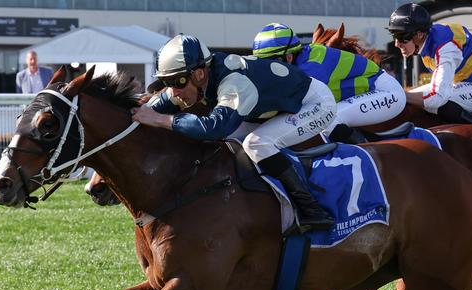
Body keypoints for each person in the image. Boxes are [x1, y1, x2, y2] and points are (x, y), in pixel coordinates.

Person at [132, 34, 337, 232]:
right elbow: (151, 108)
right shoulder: (194, 81)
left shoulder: (234, 83)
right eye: (168, 83)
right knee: (230, 141)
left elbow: (214, 128)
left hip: (314, 103)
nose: (173, 91)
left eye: (178, 82)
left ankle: (311, 209)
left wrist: (161, 120)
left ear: (199, 73)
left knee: (257, 143)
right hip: (274, 107)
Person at [251, 23, 406, 143]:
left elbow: (287, 107)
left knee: (327, 119)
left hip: (386, 93)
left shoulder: (311, 68)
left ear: (289, 56)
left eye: (271, 62)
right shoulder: (299, 60)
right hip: (368, 92)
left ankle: (373, 155)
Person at [387, 3, 472, 124]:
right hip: (466, 83)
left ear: (420, 34)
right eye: (394, 36)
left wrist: (403, 96)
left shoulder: (446, 48)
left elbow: (437, 98)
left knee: (439, 102)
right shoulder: (428, 38)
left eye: (401, 36)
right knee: (410, 97)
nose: (397, 43)